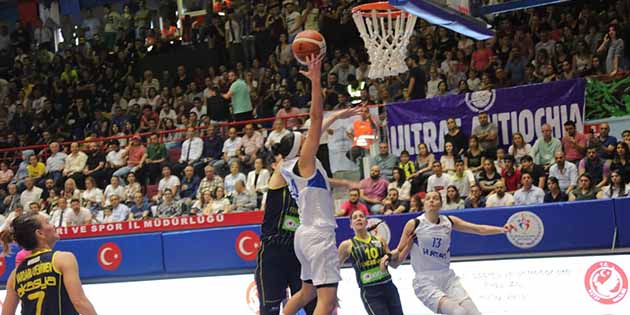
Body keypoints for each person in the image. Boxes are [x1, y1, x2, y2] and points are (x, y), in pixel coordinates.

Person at [275, 56, 361, 315]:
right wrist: (315, 81)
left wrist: (337, 116)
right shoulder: (305, 161)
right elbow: (315, 118)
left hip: (304, 235)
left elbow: (319, 126)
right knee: (327, 301)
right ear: (301, 147)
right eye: (305, 139)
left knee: (307, 292)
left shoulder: (292, 166)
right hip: (319, 234)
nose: (309, 139)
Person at [383, 191, 511, 315]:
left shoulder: (448, 221)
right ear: (424, 204)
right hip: (425, 281)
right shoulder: (415, 224)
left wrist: (501, 229)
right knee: (458, 312)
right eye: (428, 199)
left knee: (474, 313)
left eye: (435, 198)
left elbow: (477, 229)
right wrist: (388, 256)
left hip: (448, 278)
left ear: (441, 204)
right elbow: (398, 252)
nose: (431, 200)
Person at [0, 213, 97, 315]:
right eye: (47, 222)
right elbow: (79, 302)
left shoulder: (14, 275)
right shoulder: (62, 259)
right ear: (40, 233)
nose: (53, 225)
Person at [255, 157, 317, 315]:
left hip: (299, 254)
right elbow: (287, 162)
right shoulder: (276, 187)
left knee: (313, 305)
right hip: (273, 254)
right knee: (270, 308)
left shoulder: (306, 193)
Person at [338, 210, 404, 315]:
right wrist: (332, 293)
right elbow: (335, 269)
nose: (359, 218)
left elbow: (394, 263)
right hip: (370, 292)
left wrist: (392, 254)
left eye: (361, 216)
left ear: (366, 221)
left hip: (389, 287)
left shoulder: (380, 240)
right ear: (351, 224)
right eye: (355, 217)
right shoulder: (347, 245)